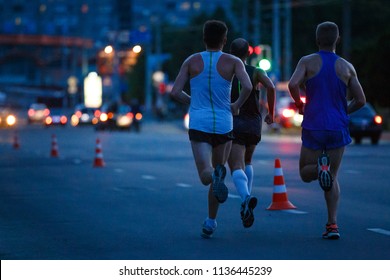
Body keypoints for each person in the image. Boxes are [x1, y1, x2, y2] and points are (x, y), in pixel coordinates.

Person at [169, 20, 252, 238]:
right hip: (225, 123)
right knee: (219, 171)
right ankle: (211, 220)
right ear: (225, 40)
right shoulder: (234, 62)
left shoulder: (192, 61)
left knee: (206, 175)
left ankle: (213, 183)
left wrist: (192, 101)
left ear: (204, 38)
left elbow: (175, 92)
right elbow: (249, 87)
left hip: (199, 122)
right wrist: (236, 106)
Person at [288, 21, 366, 239]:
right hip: (337, 127)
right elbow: (361, 100)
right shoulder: (347, 67)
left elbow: (293, 84)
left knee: (305, 173)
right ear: (337, 40)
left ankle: (318, 170)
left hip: (313, 125)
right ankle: (332, 225)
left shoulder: (307, 62)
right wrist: (344, 111)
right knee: (332, 176)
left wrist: (300, 104)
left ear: (317, 40)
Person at [227, 38, 275, 228]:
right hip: (254, 123)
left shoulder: (227, 71)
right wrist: (271, 113)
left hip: (235, 121)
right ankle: (246, 200)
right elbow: (271, 87)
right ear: (249, 53)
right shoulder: (256, 72)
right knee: (248, 161)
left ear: (230, 53)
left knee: (235, 166)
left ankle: (246, 197)